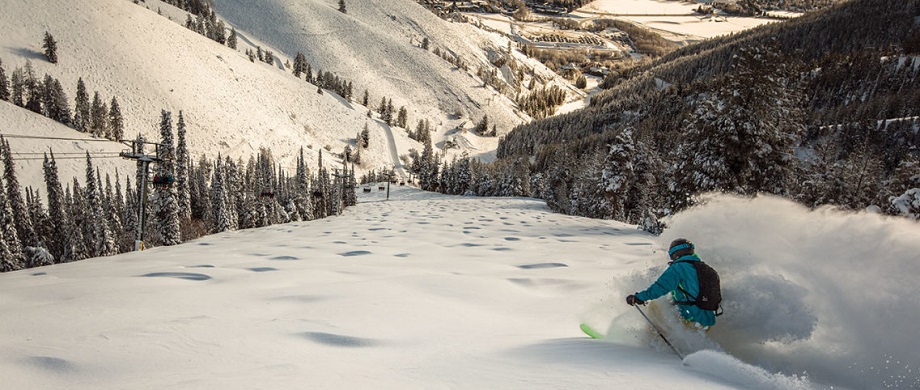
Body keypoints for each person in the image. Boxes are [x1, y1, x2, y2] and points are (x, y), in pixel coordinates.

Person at [626, 238, 716, 329]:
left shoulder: (678, 268)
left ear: (676, 253)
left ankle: (656, 341)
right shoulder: (703, 267)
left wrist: (638, 298)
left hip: (692, 319)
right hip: (707, 320)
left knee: (654, 307)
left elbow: (660, 287)